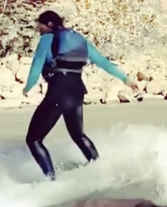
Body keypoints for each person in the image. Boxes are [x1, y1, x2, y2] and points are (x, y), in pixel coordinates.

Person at [22, 10, 141, 180]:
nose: (38, 30)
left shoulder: (47, 39)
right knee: (78, 136)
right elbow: (102, 61)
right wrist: (125, 79)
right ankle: (101, 171)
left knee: (33, 139)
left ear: (49, 24)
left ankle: (50, 181)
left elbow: (37, 66)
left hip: (59, 91)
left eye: (39, 26)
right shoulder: (80, 40)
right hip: (77, 92)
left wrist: (28, 87)